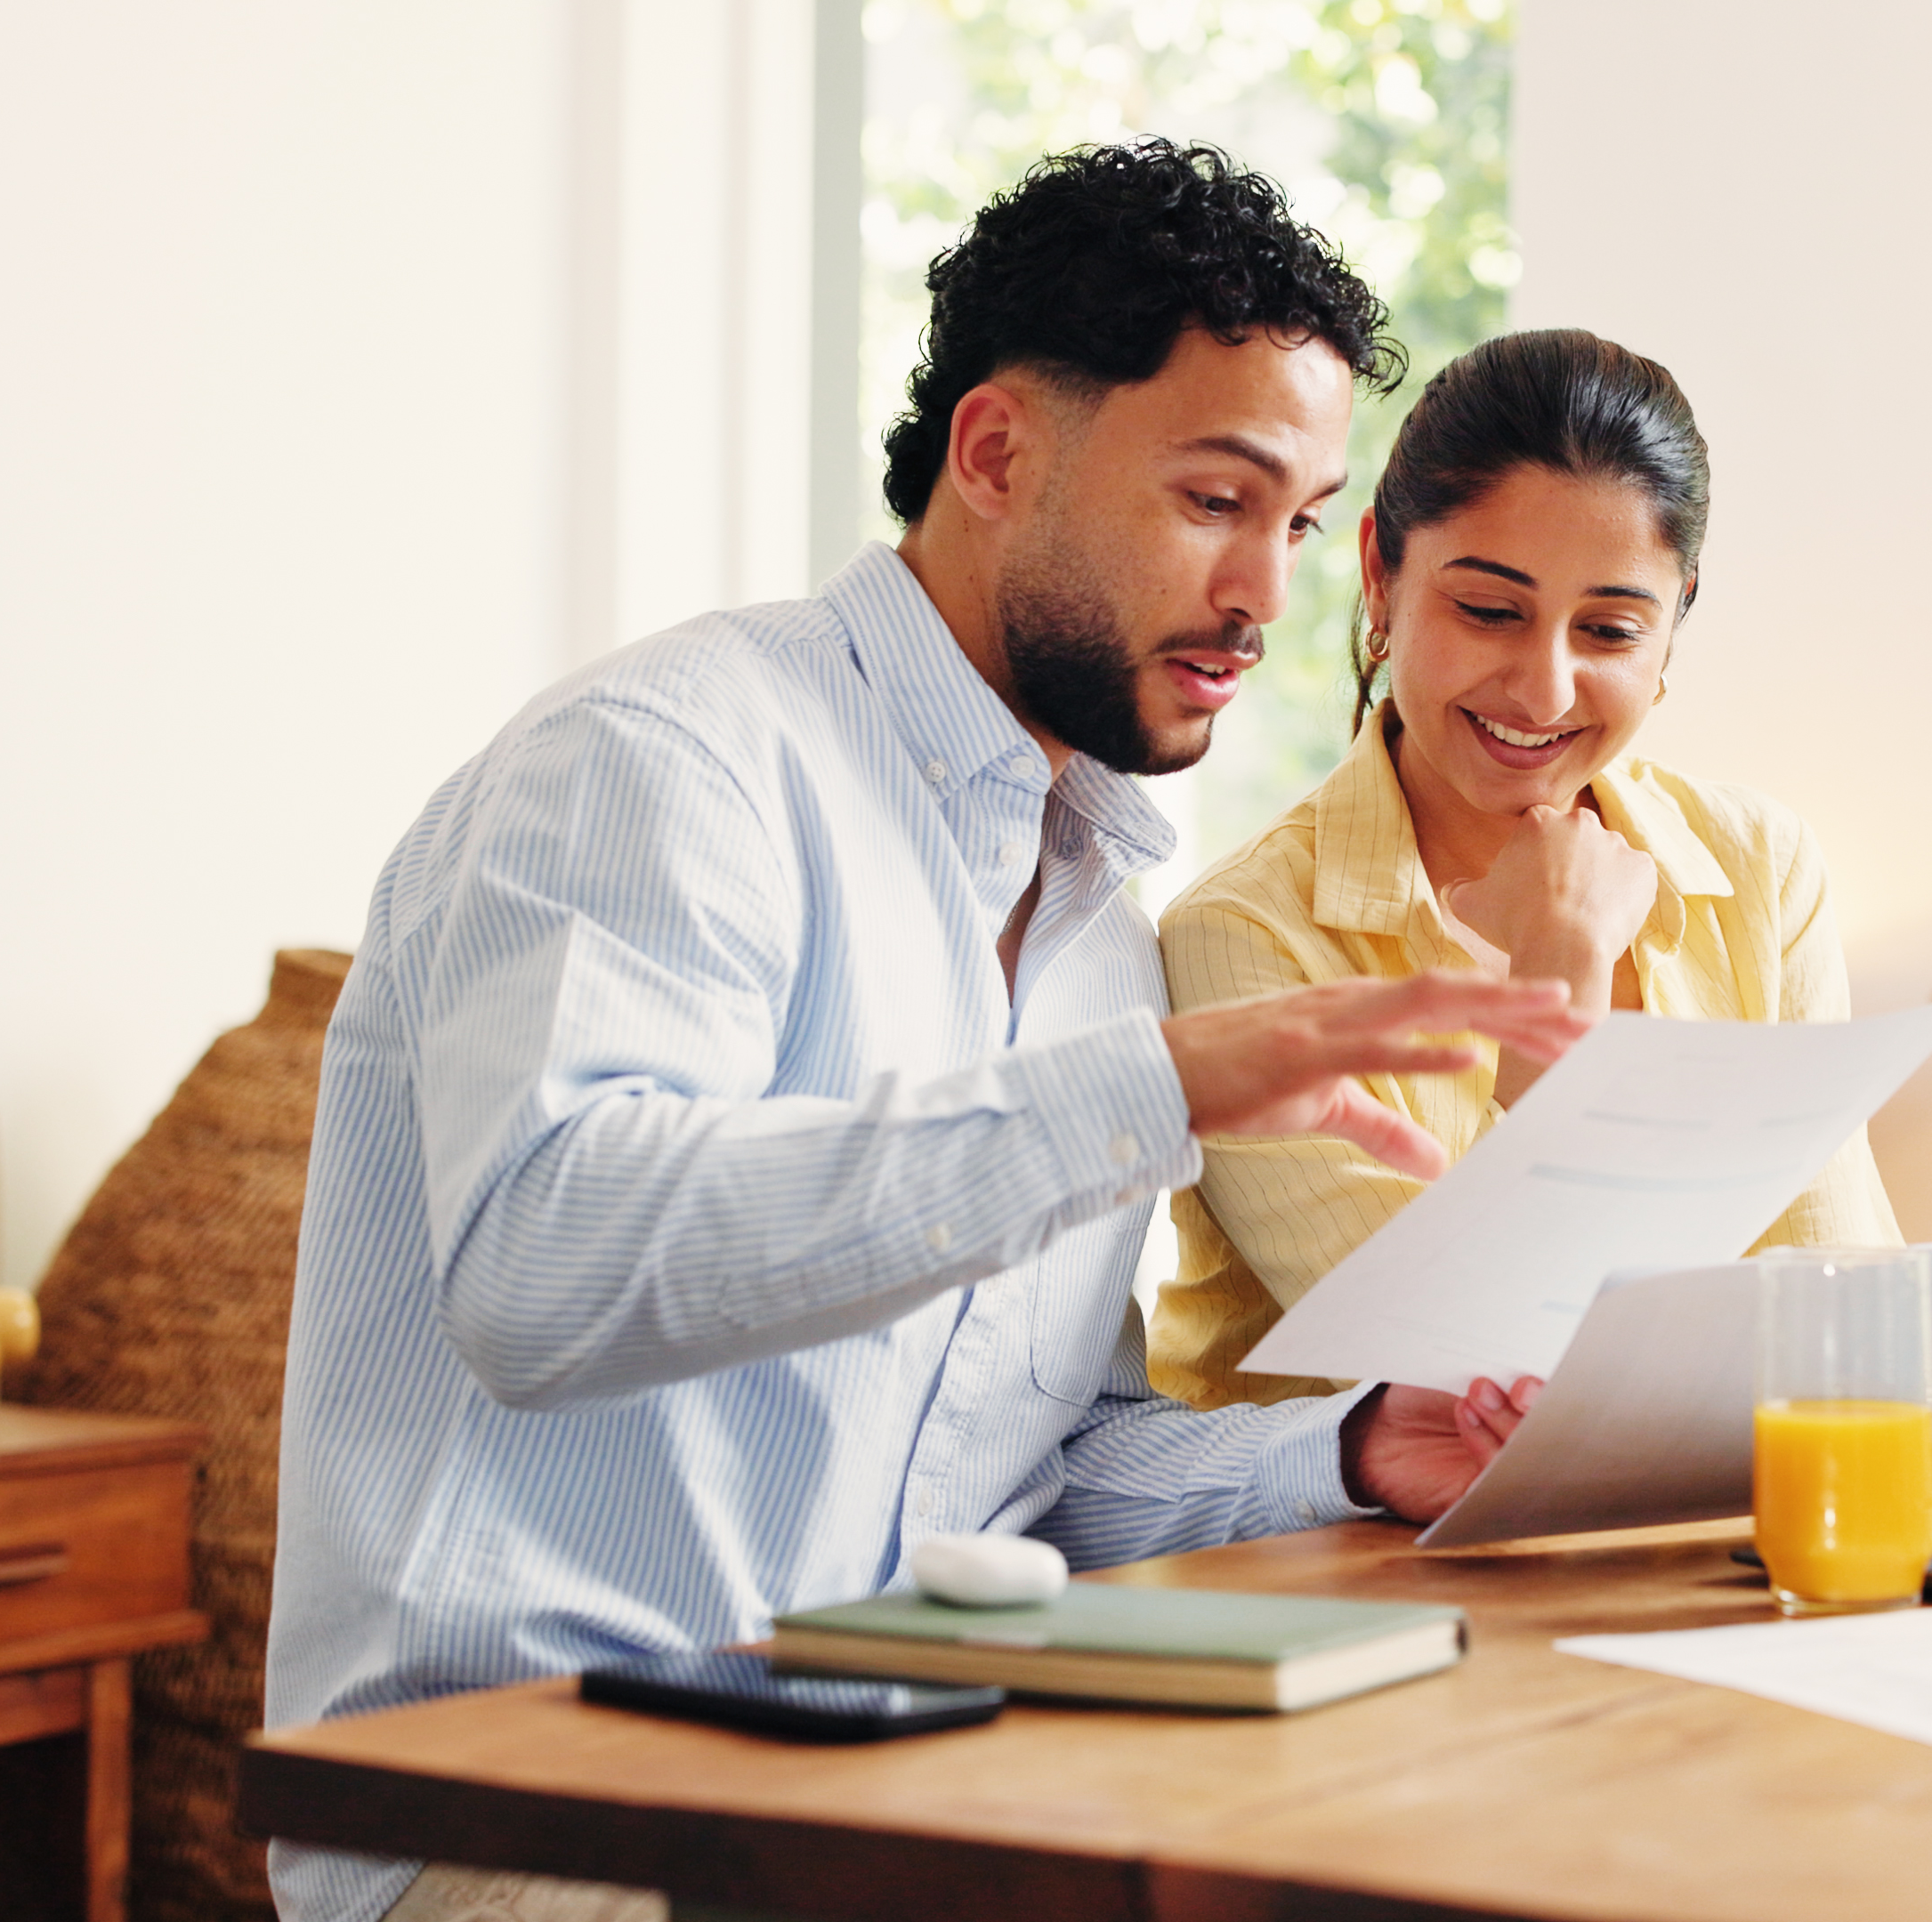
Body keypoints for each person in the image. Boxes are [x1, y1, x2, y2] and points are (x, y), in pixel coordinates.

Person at [266, 142, 1581, 1922]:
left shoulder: (1089, 925)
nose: (1267, 600)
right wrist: (1139, 1095)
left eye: (1296, 522)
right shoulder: (668, 762)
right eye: (1214, 499)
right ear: (995, 454)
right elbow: (540, 1263)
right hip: (540, 1830)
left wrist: (1341, 1451)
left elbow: (1024, 1483)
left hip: (891, 1795)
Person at [1150, 328, 1932, 1506]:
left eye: (1612, 630)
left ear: (1676, 622)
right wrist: (1561, 968)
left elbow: (1833, 1288)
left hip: (1675, 1554)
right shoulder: (1244, 936)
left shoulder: (1755, 867)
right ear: (1380, 575)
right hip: (1338, 1584)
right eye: (1488, 610)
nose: (1546, 688)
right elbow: (1473, 1373)